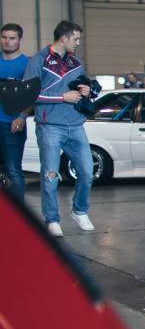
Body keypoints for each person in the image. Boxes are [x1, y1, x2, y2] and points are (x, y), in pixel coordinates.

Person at [23, 21, 94, 236]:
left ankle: (80, 210)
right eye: (76, 39)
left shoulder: (75, 62)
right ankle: (52, 219)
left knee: (87, 172)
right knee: (50, 176)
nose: (77, 43)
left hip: (76, 126)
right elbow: (30, 94)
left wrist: (86, 91)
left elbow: (81, 90)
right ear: (64, 38)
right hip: (50, 127)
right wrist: (62, 97)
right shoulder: (39, 60)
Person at [0, 23, 30, 198]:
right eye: (4, 37)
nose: (7, 41)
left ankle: (18, 217)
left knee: (13, 170)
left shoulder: (27, 64)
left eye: (12, 38)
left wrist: (22, 116)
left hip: (12, 124)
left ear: (20, 40)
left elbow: (33, 94)